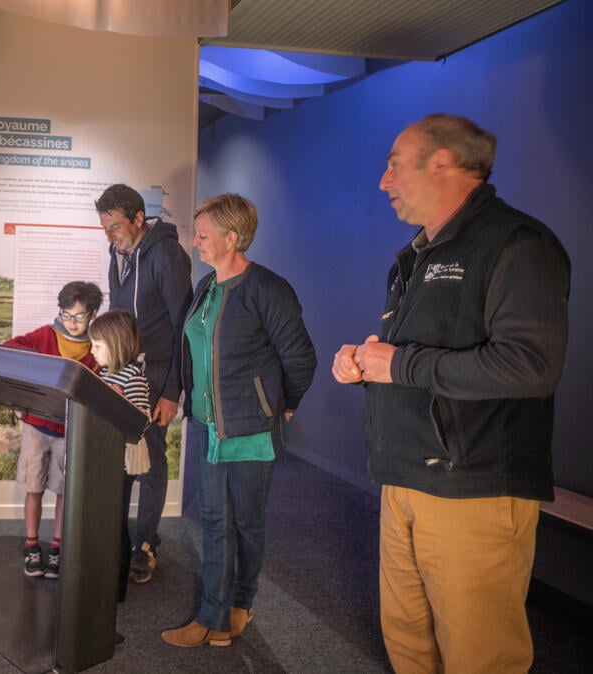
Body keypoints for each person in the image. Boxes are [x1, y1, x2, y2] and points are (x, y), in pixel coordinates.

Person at [332, 113, 570, 672]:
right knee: (408, 640)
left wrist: (401, 365)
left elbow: (531, 366)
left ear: (441, 162)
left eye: (394, 166)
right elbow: (416, 360)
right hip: (405, 479)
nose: (383, 182)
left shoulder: (518, 244)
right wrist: (368, 364)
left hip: (474, 489)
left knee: (478, 654)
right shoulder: (414, 257)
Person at [161, 193, 316, 648]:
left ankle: (239, 605)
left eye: (204, 235)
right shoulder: (207, 287)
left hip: (252, 428)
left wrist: (284, 404)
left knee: (246, 520)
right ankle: (212, 614)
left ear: (232, 238)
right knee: (214, 519)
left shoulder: (268, 288)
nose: (196, 243)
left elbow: (301, 358)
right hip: (208, 425)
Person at [96, 183, 193, 584]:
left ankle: (145, 545)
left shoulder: (167, 255)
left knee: (150, 465)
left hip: (154, 379)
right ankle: (116, 540)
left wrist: (173, 391)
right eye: (104, 228)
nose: (110, 235)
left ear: (139, 219)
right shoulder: (118, 254)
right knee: (119, 462)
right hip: (121, 376)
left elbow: (182, 327)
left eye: (115, 226)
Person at [4, 280, 103, 579]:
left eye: (79, 316)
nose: (72, 323)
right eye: (66, 314)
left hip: (70, 429)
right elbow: (10, 350)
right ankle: (32, 544)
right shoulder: (45, 335)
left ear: (93, 314)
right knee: (34, 486)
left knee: (63, 490)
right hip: (36, 425)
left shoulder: (98, 345)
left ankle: (58, 546)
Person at [88, 309, 152, 604]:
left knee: (116, 522)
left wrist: (118, 400)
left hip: (123, 460)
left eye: (97, 345)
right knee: (101, 519)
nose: (92, 351)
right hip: (105, 455)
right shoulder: (103, 373)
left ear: (115, 344)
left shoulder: (134, 377)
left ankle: (117, 589)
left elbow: (141, 421)